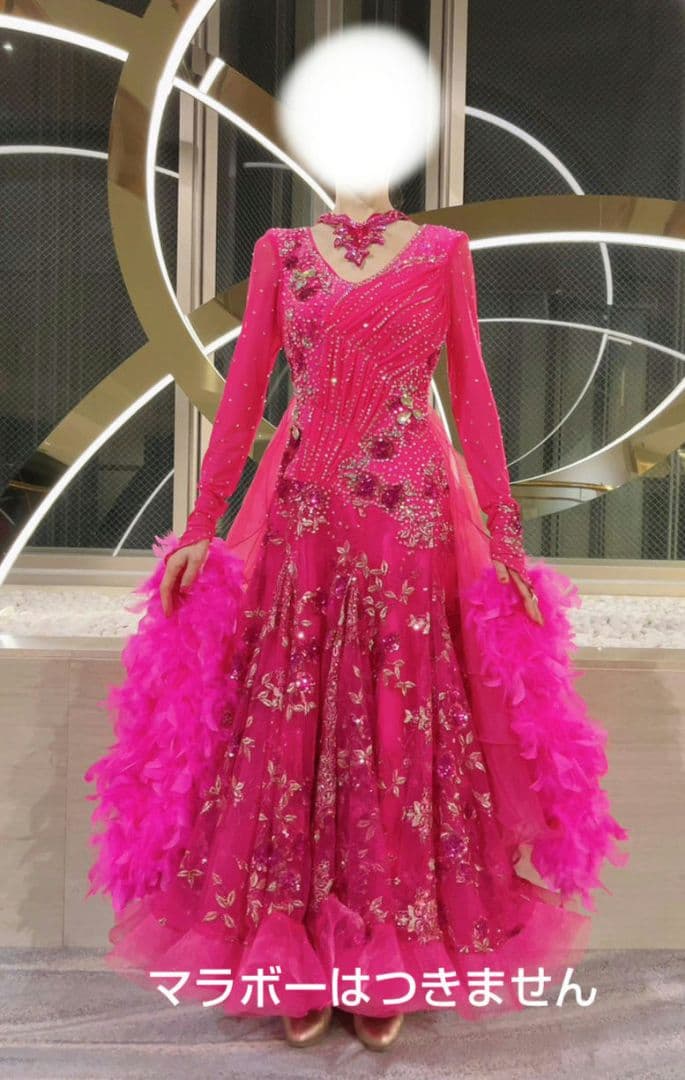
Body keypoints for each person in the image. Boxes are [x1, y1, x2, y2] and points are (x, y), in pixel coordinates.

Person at [85, 192, 629, 1052]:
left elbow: (472, 395)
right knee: (292, 727)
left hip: (409, 520)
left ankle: (386, 946)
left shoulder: (443, 251)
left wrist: (507, 543)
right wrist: (199, 528)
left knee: (396, 723)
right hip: (303, 516)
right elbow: (243, 395)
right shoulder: (281, 250)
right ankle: (294, 948)